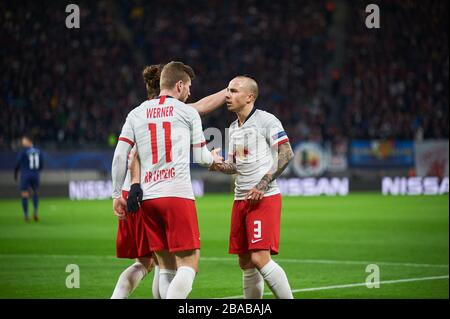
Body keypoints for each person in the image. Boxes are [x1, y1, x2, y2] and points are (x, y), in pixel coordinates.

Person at [111, 61, 223, 299]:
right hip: (177, 194)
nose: (190, 92)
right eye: (189, 86)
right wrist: (213, 157)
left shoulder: (136, 113)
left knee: (165, 265)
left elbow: (120, 155)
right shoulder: (186, 112)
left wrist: (114, 194)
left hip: (148, 199)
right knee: (189, 265)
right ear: (179, 85)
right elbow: (202, 158)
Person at [210, 76, 294, 299]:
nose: (228, 95)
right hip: (240, 199)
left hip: (263, 199)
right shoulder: (232, 127)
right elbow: (234, 166)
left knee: (259, 258)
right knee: (245, 261)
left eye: (234, 91)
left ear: (250, 97)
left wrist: (263, 184)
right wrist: (217, 165)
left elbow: (286, 153)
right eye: (228, 90)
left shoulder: (266, 120)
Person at [14, 135, 43, 222]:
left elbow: (18, 164)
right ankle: (35, 211)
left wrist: (15, 174)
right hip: (35, 174)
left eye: (24, 140)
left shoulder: (23, 152)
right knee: (35, 193)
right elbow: (41, 165)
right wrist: (36, 172)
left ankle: (26, 214)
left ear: (29, 141)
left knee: (24, 194)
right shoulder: (39, 151)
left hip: (25, 174)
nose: (22, 142)